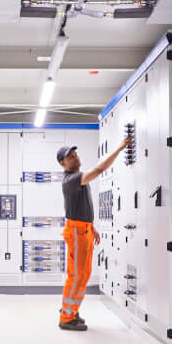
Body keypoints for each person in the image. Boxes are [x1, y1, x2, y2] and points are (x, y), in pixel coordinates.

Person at [55, 133, 130, 331]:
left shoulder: (77, 179)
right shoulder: (71, 180)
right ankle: (66, 317)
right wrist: (120, 148)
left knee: (84, 274)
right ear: (63, 164)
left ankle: (72, 310)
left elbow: (79, 207)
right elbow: (99, 169)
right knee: (76, 275)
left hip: (84, 230)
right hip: (77, 232)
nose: (75, 157)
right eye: (70, 157)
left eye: (75, 154)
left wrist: (91, 226)